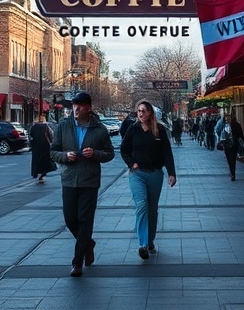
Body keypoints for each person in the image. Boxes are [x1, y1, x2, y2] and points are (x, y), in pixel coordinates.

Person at [50, 91, 114, 277]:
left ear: (88, 108)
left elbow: (109, 153)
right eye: (74, 106)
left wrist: (94, 154)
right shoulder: (63, 126)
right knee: (70, 219)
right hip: (69, 179)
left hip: (89, 180)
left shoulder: (99, 129)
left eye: (79, 106)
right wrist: (64, 156)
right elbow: (53, 151)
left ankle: (77, 262)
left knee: (85, 220)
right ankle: (88, 243)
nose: (75, 109)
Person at [120, 100, 176, 259]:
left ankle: (150, 240)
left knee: (152, 208)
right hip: (137, 174)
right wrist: (132, 164)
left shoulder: (159, 130)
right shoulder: (133, 129)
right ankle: (143, 244)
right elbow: (124, 150)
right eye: (138, 111)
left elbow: (167, 152)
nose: (140, 113)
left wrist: (171, 173)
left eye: (143, 110)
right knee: (142, 205)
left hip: (155, 174)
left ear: (150, 112)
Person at [29, 112, 55, 183]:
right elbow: (51, 135)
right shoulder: (46, 126)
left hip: (36, 147)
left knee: (36, 161)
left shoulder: (33, 127)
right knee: (44, 161)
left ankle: (35, 173)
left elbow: (31, 135)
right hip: (45, 146)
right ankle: (43, 175)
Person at [220, 111, 244, 181]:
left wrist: (241, 145)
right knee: (229, 160)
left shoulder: (237, 125)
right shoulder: (225, 125)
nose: (227, 118)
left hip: (234, 145)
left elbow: (241, 135)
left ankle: (232, 173)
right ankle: (232, 172)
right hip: (227, 145)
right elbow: (222, 135)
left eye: (229, 116)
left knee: (232, 159)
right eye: (226, 117)